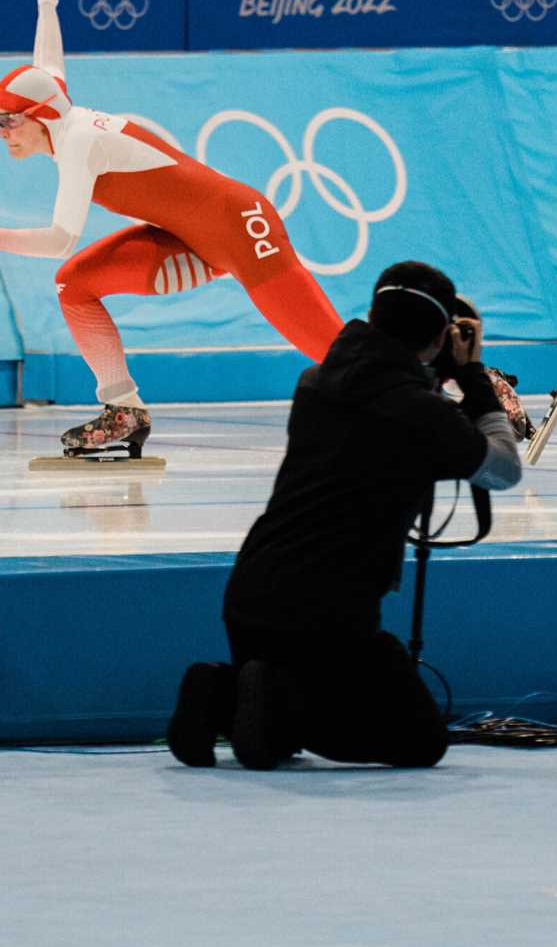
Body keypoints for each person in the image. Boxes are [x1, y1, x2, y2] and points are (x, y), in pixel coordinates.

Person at [0, 0, 343, 457]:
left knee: (335, 353)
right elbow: (48, 67)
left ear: (38, 117)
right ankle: (123, 410)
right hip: (191, 239)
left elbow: (60, 238)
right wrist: (47, 1)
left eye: (7, 121)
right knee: (74, 284)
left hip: (242, 227)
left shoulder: (79, 142)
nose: (0, 133)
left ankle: (438, 381)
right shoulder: (60, 111)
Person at [166, 260, 523, 771]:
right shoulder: (421, 412)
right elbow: (503, 469)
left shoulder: (315, 382)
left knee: (283, 715)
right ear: (443, 334)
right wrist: (472, 375)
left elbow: (386, 415)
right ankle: (258, 700)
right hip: (330, 614)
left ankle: (222, 691)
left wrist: (436, 375)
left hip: (252, 594)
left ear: (373, 315)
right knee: (417, 741)